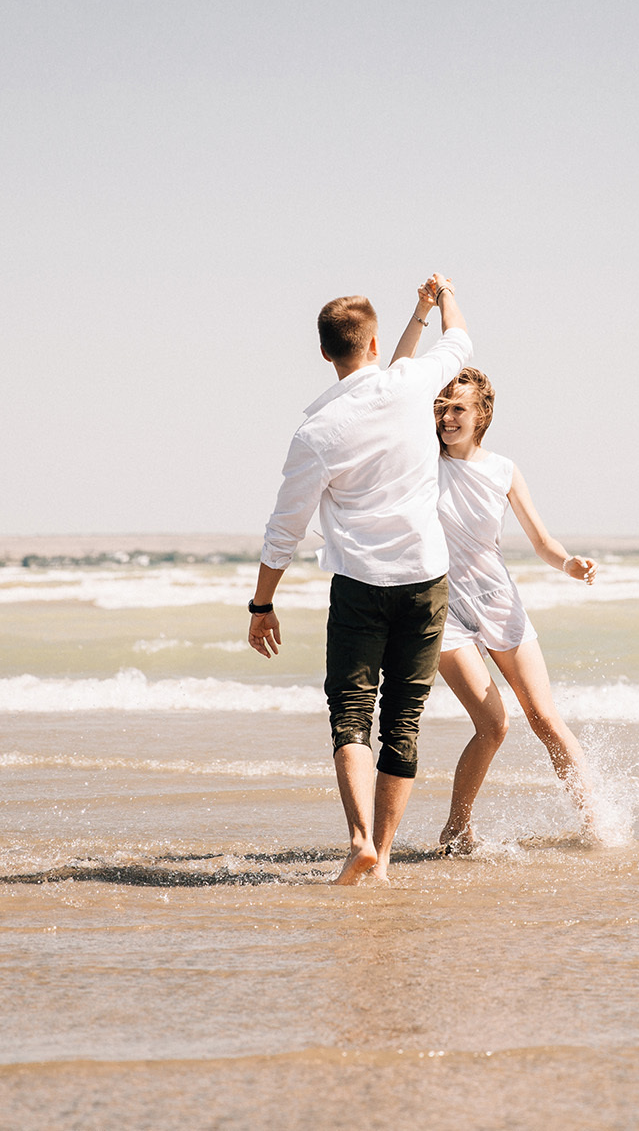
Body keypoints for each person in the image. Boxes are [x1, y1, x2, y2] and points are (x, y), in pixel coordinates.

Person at [246, 276, 469, 884]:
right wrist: (438, 299)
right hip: (426, 579)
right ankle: (387, 854)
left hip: (360, 585)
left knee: (351, 713)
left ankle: (360, 840)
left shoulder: (316, 434)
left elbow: (282, 530)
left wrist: (261, 604)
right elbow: (460, 342)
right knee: (404, 716)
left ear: (325, 353)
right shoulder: (410, 383)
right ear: (373, 343)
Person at [386, 317, 601, 851]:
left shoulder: (504, 469)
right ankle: (456, 829)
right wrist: (427, 311)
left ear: (482, 413)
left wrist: (569, 564)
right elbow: (395, 377)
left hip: (499, 602)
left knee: (545, 718)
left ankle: (598, 823)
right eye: (441, 407)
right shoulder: (421, 460)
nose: (446, 416)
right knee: (494, 724)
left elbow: (543, 542)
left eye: (457, 407)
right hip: (444, 611)